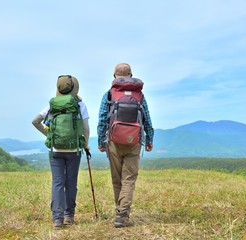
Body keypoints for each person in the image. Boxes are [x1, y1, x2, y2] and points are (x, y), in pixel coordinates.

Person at [97, 63, 154, 228]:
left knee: (117, 180)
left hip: (114, 141)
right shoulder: (139, 95)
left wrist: (101, 141)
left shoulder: (109, 94)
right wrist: (149, 139)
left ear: (114, 76)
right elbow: (147, 119)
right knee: (129, 179)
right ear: (131, 75)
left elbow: (102, 119)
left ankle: (120, 213)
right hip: (134, 141)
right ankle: (122, 215)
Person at [32, 75, 90, 229]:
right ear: (74, 89)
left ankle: (57, 219)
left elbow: (35, 121)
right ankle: (68, 216)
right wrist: (86, 144)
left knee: (57, 183)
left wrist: (49, 134)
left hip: (56, 149)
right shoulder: (80, 105)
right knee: (71, 182)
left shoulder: (52, 105)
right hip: (74, 150)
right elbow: (86, 128)